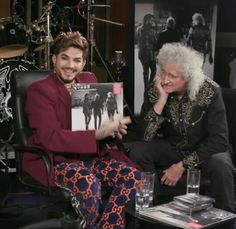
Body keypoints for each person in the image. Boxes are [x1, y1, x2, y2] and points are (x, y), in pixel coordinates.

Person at [24, 31, 141, 228]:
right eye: (64, 58)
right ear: (54, 59)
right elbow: (51, 138)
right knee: (88, 183)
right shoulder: (40, 90)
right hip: (58, 160)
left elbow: (99, 127)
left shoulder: (89, 79)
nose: (70, 66)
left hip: (92, 157)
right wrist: (97, 134)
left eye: (77, 60)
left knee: (134, 177)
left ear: (83, 63)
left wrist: (112, 132)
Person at [129, 42, 235, 212]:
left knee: (221, 165)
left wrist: (182, 166)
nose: (164, 79)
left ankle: (227, 217)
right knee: (139, 150)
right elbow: (144, 137)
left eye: (172, 76)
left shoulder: (209, 91)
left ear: (188, 77)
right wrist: (161, 101)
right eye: (163, 71)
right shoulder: (155, 89)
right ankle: (150, 209)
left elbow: (219, 141)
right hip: (172, 146)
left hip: (206, 149)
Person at [137, 14, 159, 89]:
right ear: (147, 20)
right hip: (146, 54)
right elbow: (147, 43)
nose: (153, 21)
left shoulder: (149, 29)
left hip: (148, 54)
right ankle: (147, 87)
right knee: (147, 71)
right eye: (151, 20)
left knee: (152, 70)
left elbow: (154, 41)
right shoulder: (142, 30)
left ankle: (148, 86)